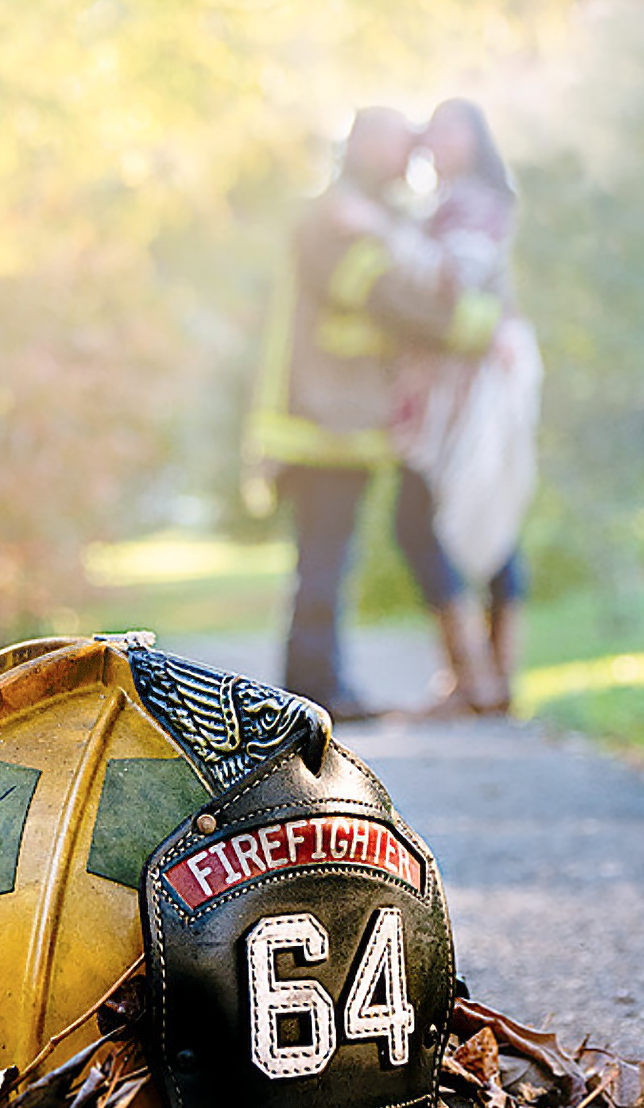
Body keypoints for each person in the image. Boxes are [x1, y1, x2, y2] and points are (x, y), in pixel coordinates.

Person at [245, 106, 500, 721]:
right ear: (360, 146)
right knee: (325, 557)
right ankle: (314, 692)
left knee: (330, 556)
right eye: (396, 145)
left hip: (343, 421)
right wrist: (473, 326)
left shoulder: (369, 214)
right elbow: (387, 297)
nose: (407, 159)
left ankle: (318, 686)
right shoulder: (333, 218)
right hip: (321, 421)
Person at [391, 99, 542, 716]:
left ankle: (480, 679)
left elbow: (457, 282)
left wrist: (383, 238)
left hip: (474, 385)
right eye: (436, 128)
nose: (440, 139)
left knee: (454, 515)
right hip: (452, 382)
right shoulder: (446, 203)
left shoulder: (474, 202)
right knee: (462, 516)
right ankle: (486, 680)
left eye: (455, 128)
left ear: (477, 138)